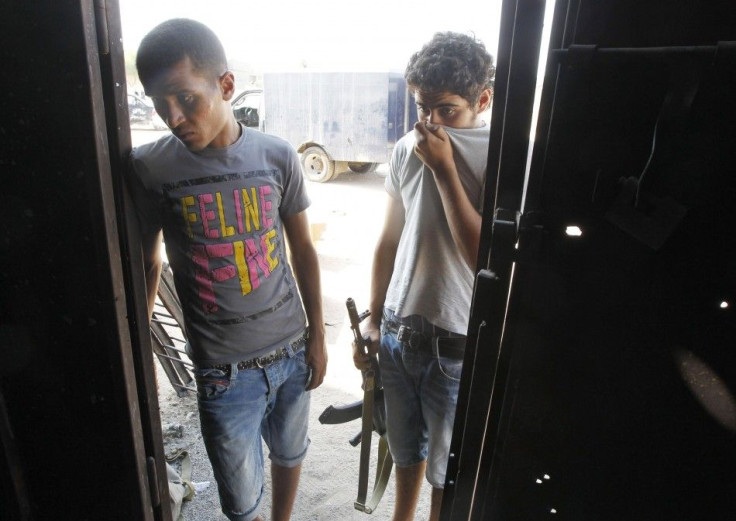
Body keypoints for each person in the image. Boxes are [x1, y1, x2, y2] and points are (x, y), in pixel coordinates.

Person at [127, 19, 327, 521]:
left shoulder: (278, 156)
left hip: (289, 349)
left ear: (226, 86)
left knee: (289, 452)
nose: (172, 117)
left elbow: (302, 250)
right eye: (158, 104)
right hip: (223, 373)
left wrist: (317, 336)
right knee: (238, 499)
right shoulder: (151, 169)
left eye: (185, 98)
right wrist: (137, 349)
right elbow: (149, 260)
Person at [353, 32, 494, 521]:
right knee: (403, 447)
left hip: (453, 345)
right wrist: (373, 319)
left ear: (483, 100)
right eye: (422, 107)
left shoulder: (498, 156)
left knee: (445, 470)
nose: (431, 123)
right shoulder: (405, 149)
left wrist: (444, 170)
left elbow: (482, 255)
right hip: (397, 332)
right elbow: (389, 241)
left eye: (446, 110)